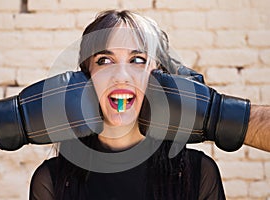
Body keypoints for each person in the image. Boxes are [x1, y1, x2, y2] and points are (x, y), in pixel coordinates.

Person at [27, 10, 227, 199]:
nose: (121, 77)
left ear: (160, 76)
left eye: (138, 60)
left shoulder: (198, 173)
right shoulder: (51, 180)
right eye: (104, 60)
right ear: (85, 77)